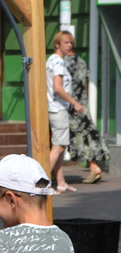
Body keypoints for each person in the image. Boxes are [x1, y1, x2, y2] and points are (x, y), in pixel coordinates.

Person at [46, 31, 85, 193]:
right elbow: (58, 87)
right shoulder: (58, 62)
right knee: (59, 146)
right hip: (58, 108)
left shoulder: (53, 60)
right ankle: (41, 182)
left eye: (70, 42)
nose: (69, 45)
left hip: (56, 107)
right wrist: (75, 103)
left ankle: (61, 182)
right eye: (66, 42)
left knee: (60, 146)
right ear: (57, 44)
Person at [64, 45, 109, 184]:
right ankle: (93, 166)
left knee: (72, 137)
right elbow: (85, 84)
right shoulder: (81, 60)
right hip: (82, 103)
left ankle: (93, 167)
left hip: (70, 104)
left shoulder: (63, 61)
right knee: (87, 135)